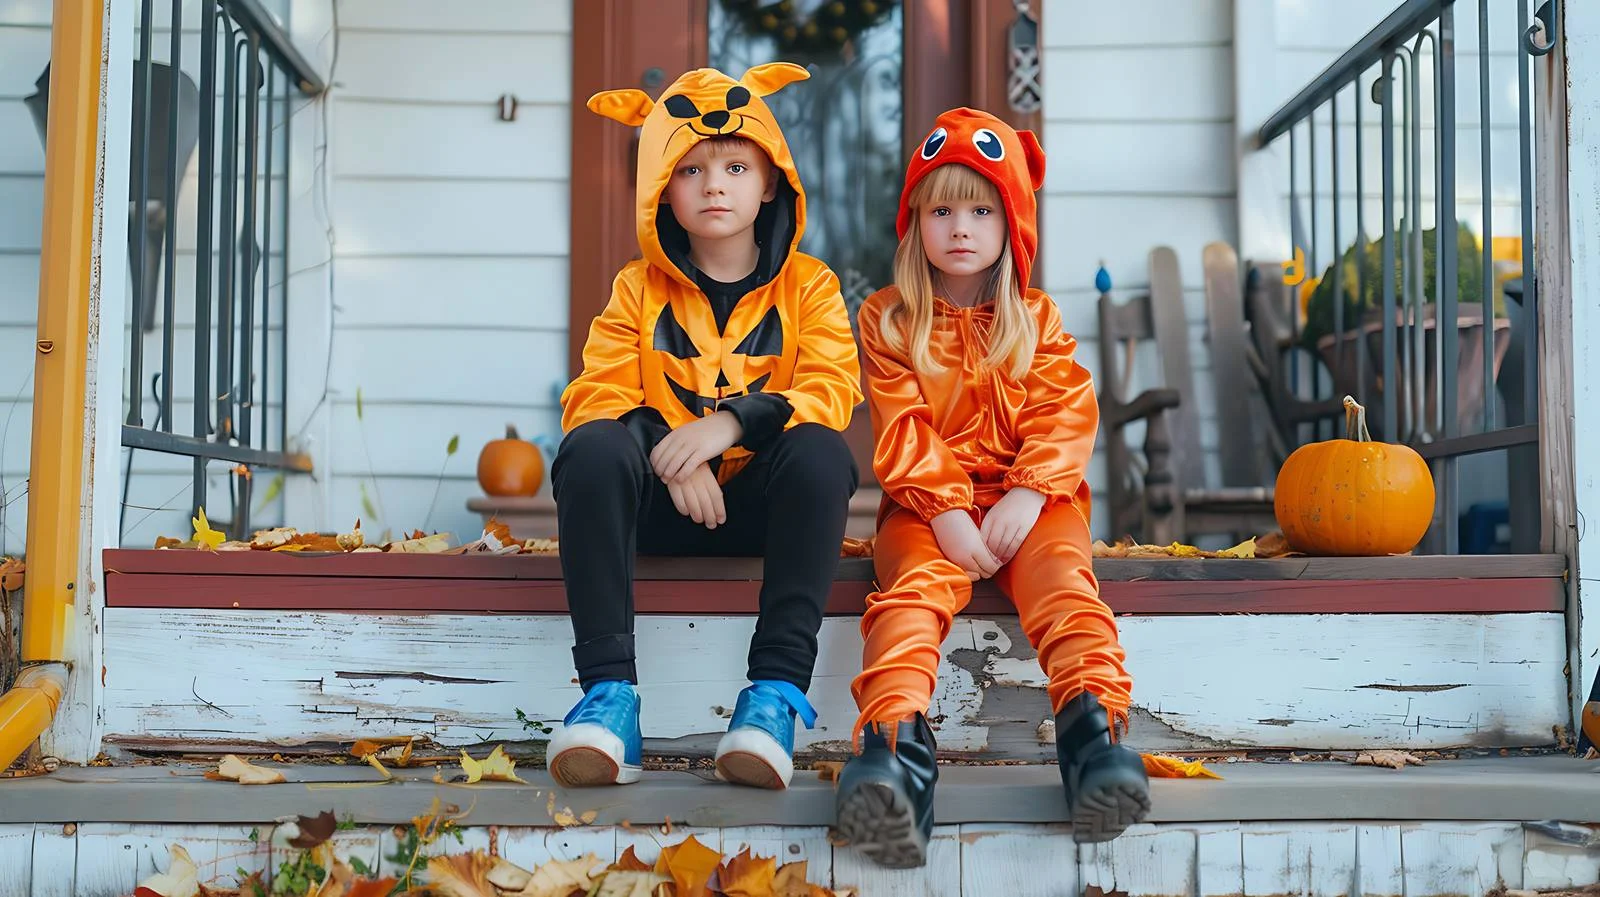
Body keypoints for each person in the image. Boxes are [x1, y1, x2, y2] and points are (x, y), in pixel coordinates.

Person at [833, 107, 1149, 867]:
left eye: (981, 209)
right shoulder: (888, 319)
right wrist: (945, 513)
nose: (961, 227)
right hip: (924, 507)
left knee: (1064, 587)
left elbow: (1065, 410)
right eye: (942, 210)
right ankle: (894, 755)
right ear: (917, 224)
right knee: (910, 595)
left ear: (1013, 226)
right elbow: (902, 426)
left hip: (1027, 507)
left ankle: (1092, 738)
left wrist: (1029, 493)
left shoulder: (1035, 318)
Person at [547, 63, 862, 791]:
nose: (714, 184)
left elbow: (830, 385)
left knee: (821, 451)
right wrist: (669, 450)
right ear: (662, 187)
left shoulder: (808, 286)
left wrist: (728, 427)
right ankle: (609, 698)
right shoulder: (638, 287)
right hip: (658, 511)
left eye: (734, 165)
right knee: (591, 448)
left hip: (760, 509)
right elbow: (596, 392)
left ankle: (773, 696)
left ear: (771, 179)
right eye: (690, 168)